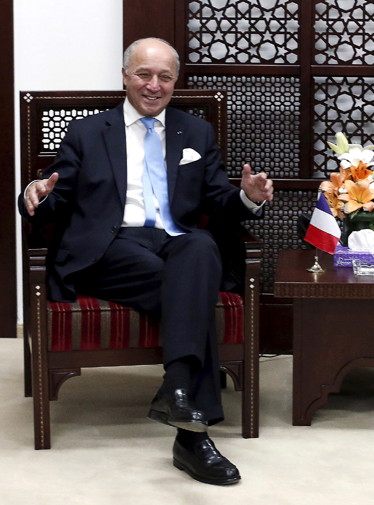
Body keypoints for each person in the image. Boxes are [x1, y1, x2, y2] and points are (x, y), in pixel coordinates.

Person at [18, 37, 273, 485]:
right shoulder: (86, 132)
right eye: (143, 74)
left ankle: (176, 390)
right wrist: (33, 194)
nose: (153, 85)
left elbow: (218, 199)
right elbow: (56, 196)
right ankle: (193, 440)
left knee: (200, 247)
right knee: (190, 287)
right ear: (124, 76)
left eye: (164, 77)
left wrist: (246, 199)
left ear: (176, 82)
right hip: (107, 248)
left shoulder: (196, 133)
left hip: (173, 241)